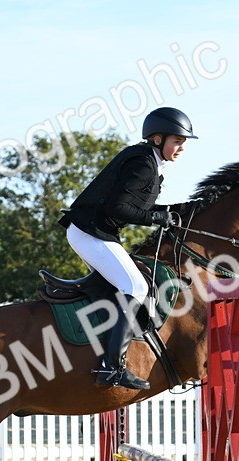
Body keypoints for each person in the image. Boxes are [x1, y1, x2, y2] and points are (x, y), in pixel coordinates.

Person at [59, 107, 196, 390]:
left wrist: (175, 210)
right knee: (136, 287)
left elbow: (136, 206)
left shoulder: (150, 162)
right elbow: (118, 208)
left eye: (183, 142)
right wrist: (159, 218)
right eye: (177, 141)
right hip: (90, 232)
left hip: (95, 231)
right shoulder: (144, 164)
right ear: (158, 139)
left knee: (129, 283)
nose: (181, 148)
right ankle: (112, 368)